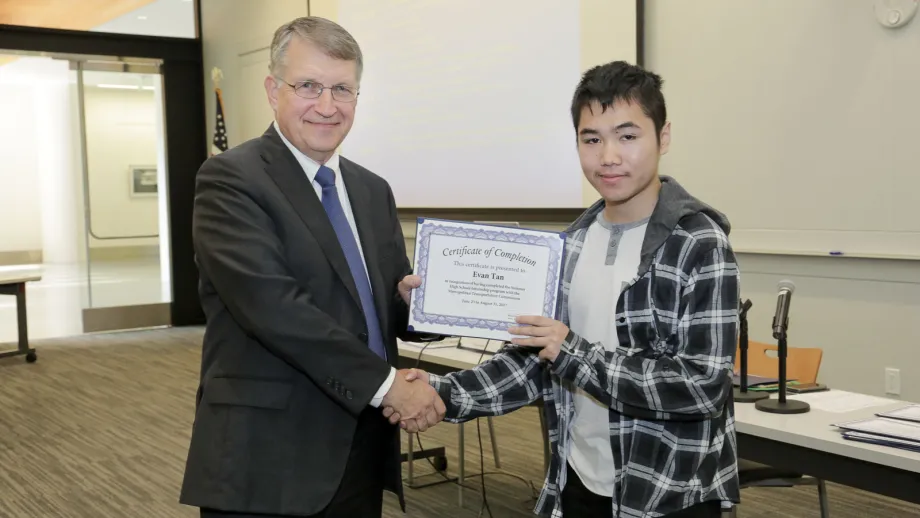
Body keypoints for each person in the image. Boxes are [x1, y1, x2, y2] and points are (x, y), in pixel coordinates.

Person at [388, 61, 740, 517]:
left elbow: (700, 386)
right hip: (575, 483)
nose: (608, 156)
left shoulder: (699, 243)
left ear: (663, 137)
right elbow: (536, 364)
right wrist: (441, 391)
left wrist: (571, 351)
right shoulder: (569, 244)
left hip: (668, 493)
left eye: (628, 136)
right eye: (591, 139)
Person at [179, 16, 444, 518]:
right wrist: (390, 388)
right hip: (270, 455)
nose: (327, 106)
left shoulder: (372, 190)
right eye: (309, 86)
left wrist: (413, 304)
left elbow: (377, 305)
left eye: (342, 89)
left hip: (361, 443)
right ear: (272, 89)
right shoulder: (230, 181)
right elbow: (275, 309)